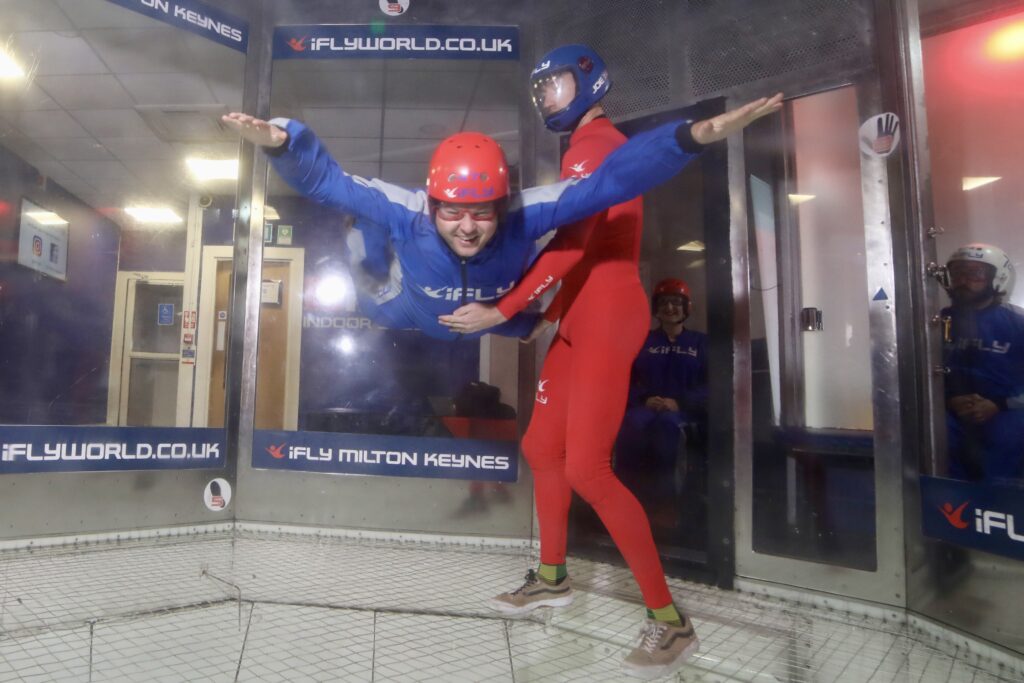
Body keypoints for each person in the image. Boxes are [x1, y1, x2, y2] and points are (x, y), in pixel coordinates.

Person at [437, 44, 781, 678]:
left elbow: (573, 245)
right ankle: (552, 576)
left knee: (590, 469)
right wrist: (542, 319)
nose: (546, 97)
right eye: (540, 89)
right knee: (543, 448)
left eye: (556, 85)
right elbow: (579, 256)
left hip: (607, 315)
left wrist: (504, 307)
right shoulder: (579, 149)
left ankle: (671, 621)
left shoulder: (596, 145)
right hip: (580, 316)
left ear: (592, 82)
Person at [221, 89, 779, 342]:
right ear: (433, 202)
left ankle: (515, 319)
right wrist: (281, 143)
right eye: (454, 214)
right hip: (400, 309)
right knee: (360, 230)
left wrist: (690, 138)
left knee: (529, 326)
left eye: (483, 214)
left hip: (494, 315)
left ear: (502, 203)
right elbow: (325, 181)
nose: (468, 227)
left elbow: (614, 180)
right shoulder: (411, 209)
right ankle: (366, 234)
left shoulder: (525, 212)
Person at [615, 277, 708, 513]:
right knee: (631, 424)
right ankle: (625, 498)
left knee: (667, 430)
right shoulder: (642, 340)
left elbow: (711, 384)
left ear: (686, 307)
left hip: (681, 412)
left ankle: (667, 502)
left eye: (676, 302)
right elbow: (624, 377)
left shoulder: (700, 343)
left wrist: (681, 402)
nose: (669, 308)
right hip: (645, 408)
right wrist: (643, 398)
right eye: (664, 302)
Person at [941, 243, 1024, 485]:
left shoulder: (1017, 323)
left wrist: (998, 404)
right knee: (935, 435)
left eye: (975, 273)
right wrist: (950, 400)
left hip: (1008, 413)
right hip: (952, 412)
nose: (964, 280)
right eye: (958, 273)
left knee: (1008, 439)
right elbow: (922, 374)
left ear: (999, 277)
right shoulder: (938, 321)